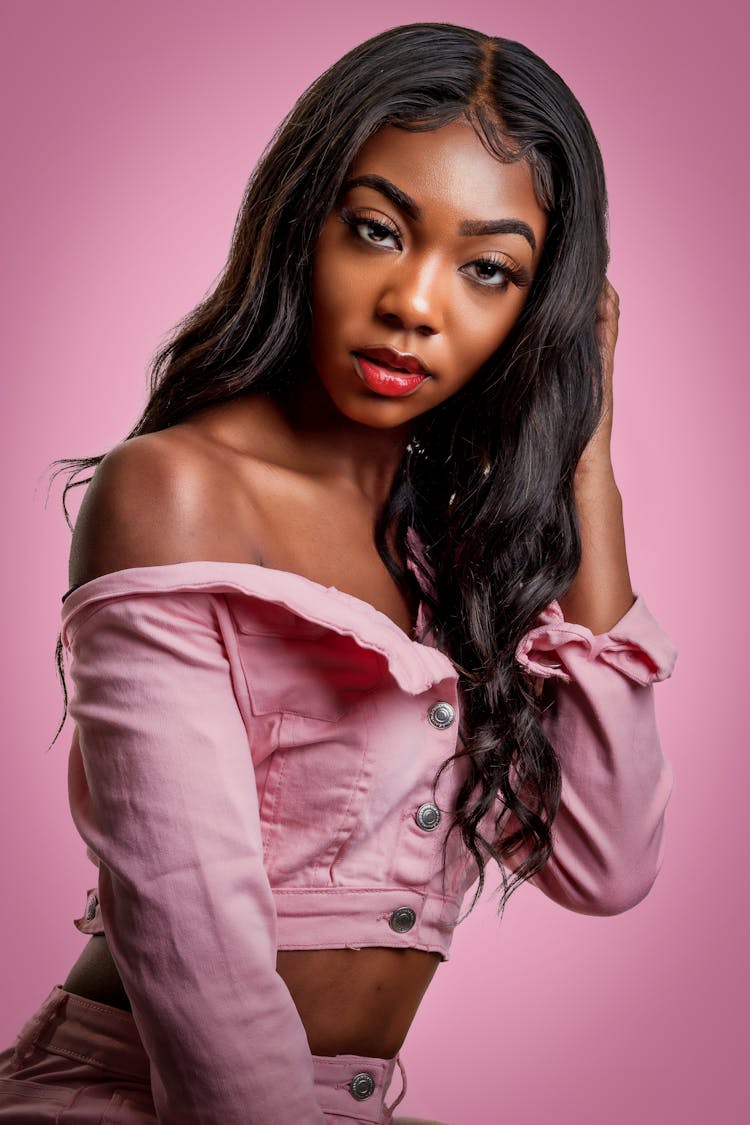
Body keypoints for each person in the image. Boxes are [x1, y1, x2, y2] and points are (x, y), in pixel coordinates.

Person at [0, 20, 678, 1125]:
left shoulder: (454, 548)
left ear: (532, 311)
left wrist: (587, 467)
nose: (416, 303)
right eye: (376, 230)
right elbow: (194, 942)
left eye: (488, 270)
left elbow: (604, 862)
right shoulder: (174, 491)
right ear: (299, 221)